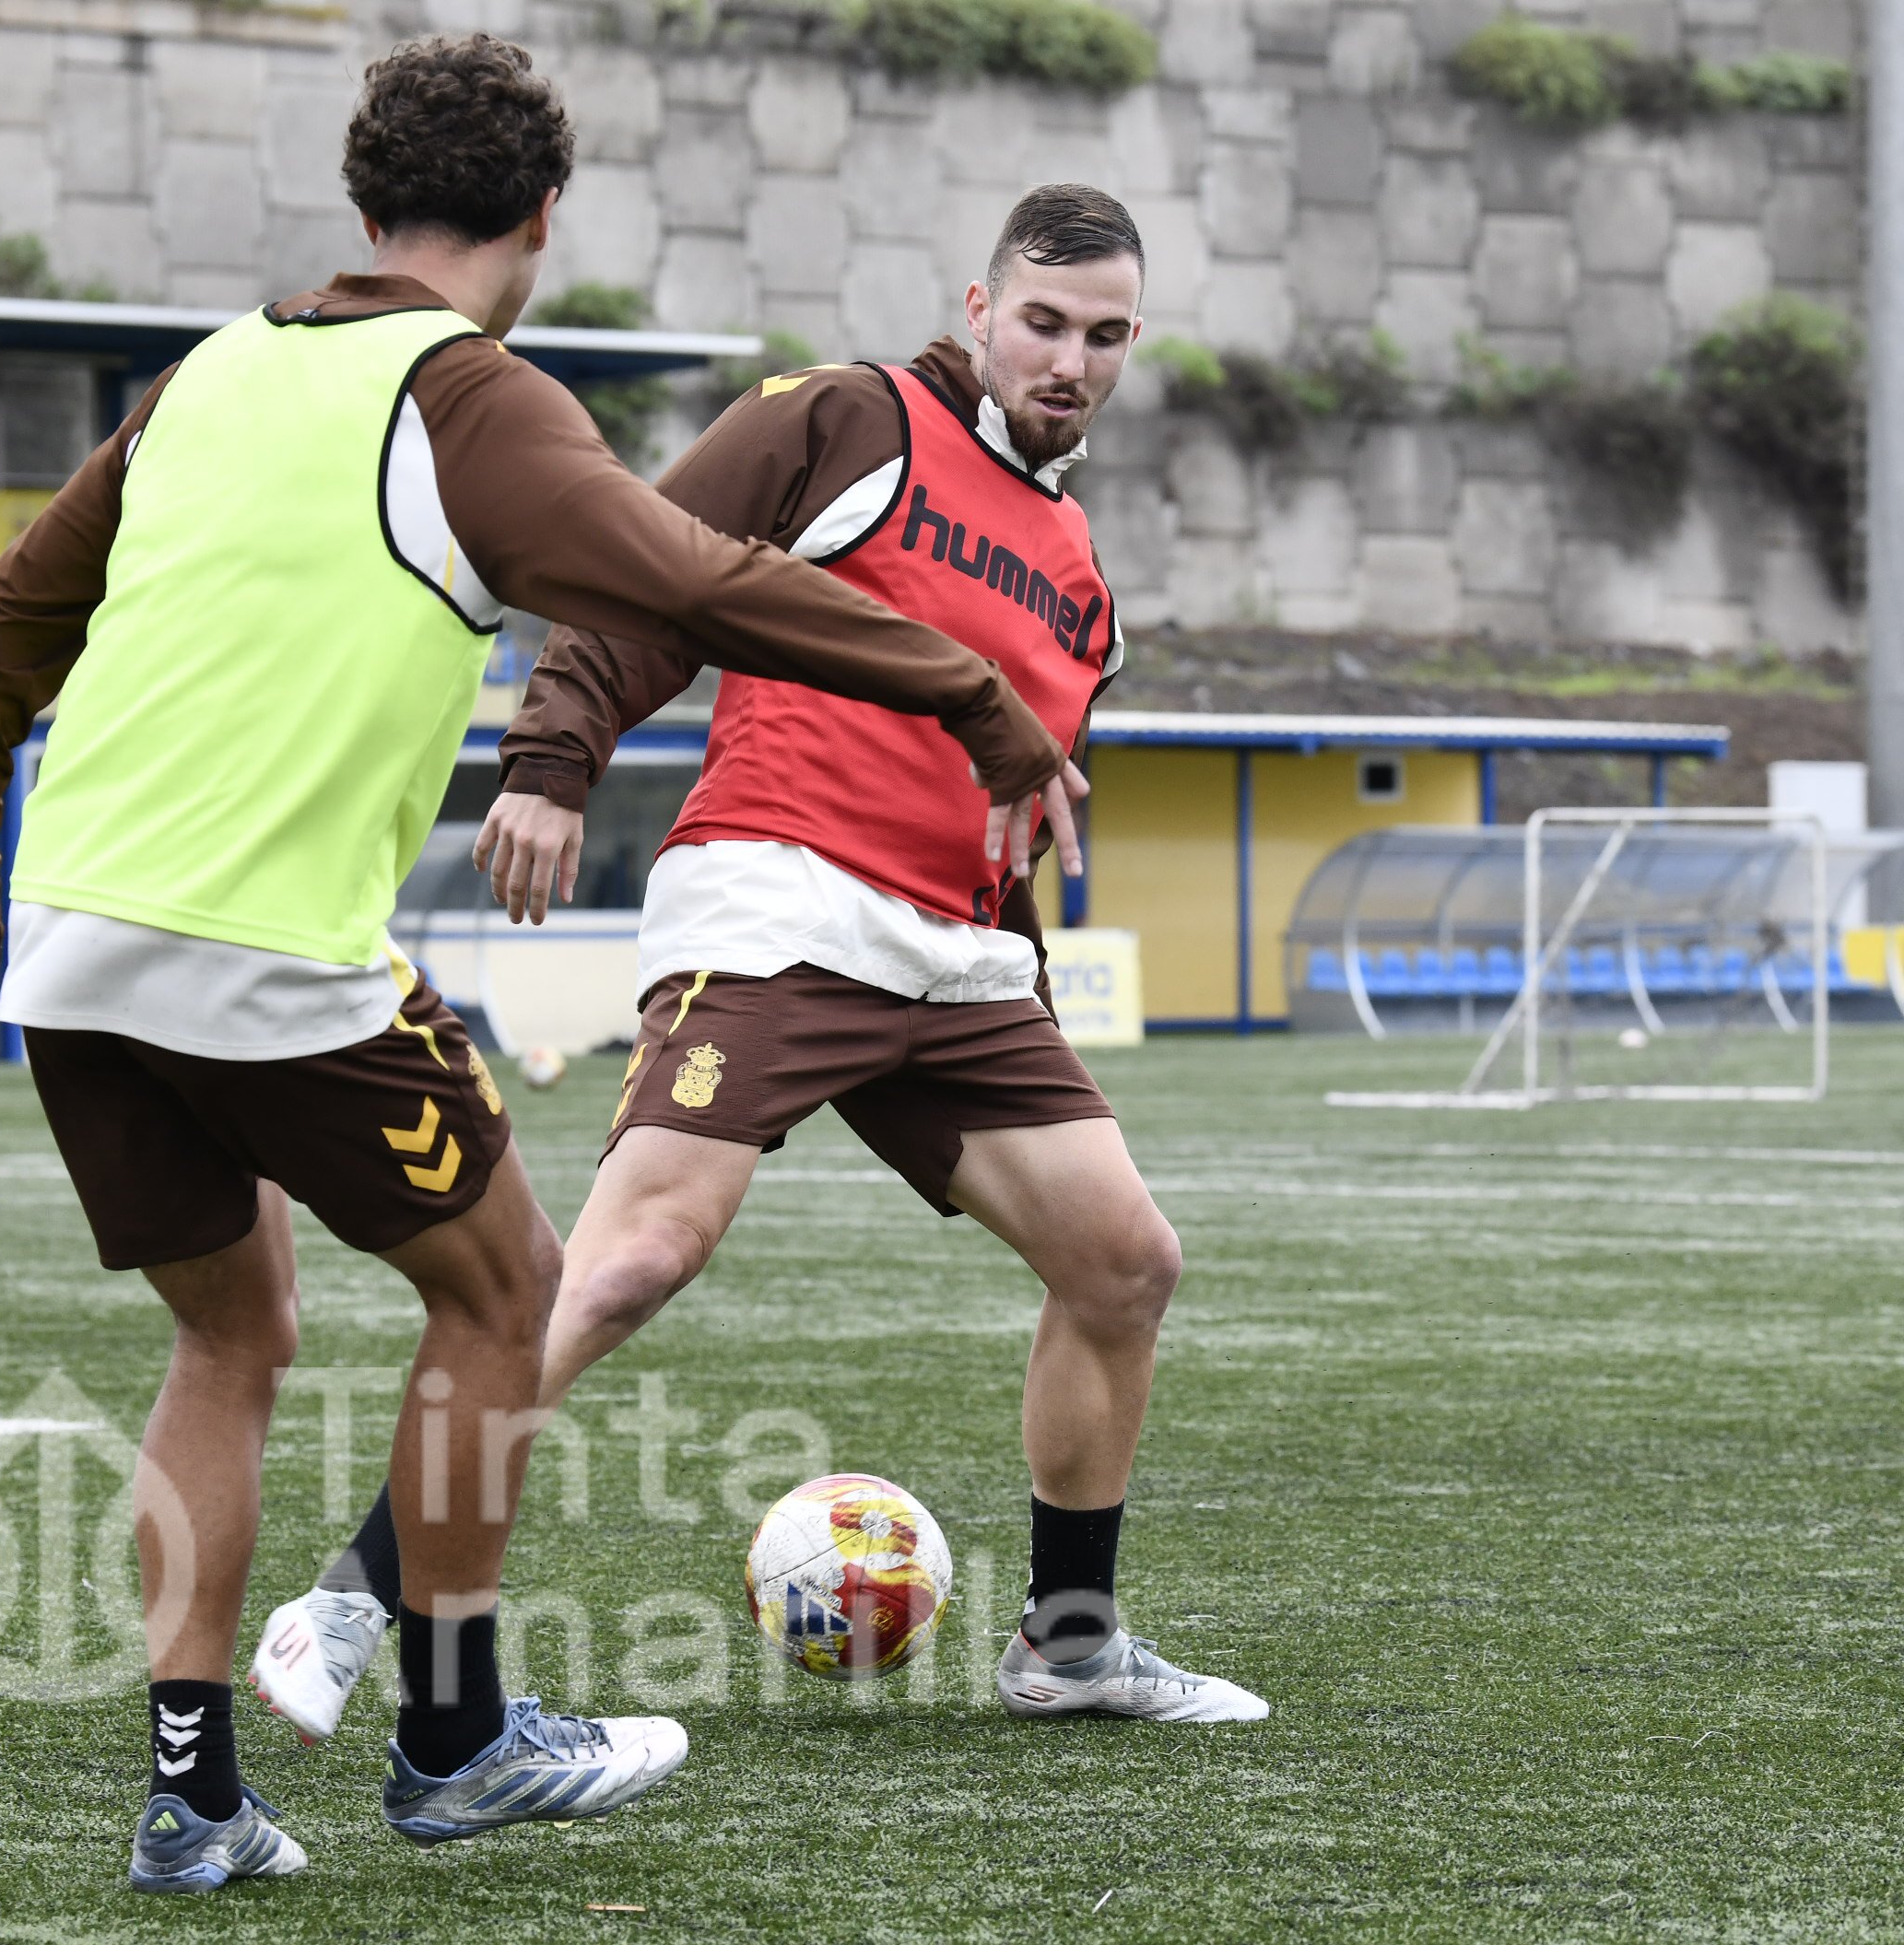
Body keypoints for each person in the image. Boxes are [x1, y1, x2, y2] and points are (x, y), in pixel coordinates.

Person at [0, 35, 1075, 1893]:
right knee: (509, 1286)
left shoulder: (204, 375)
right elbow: (705, 582)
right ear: (541, 217)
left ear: (365, 204)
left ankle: (192, 1798)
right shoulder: (467, 401)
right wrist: (977, 696)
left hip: (76, 949)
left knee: (230, 1332)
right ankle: (454, 1738)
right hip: (263, 955)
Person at [255, 183, 1267, 1742]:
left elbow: (1014, 808)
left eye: (1106, 335)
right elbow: (642, 567)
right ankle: (348, 1598)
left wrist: (1017, 968)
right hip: (779, 906)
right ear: (981, 308)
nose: (1071, 360)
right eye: (1044, 322)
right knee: (632, 1259)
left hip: (963, 966)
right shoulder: (851, 422)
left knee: (1126, 1261)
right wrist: (554, 759)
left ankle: (1071, 1643)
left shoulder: (1081, 578)